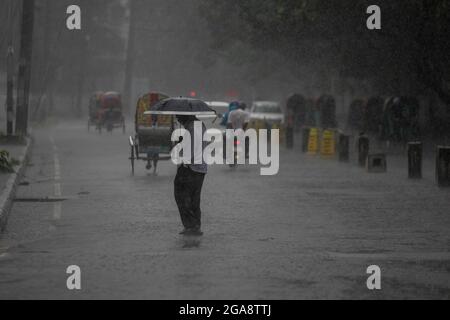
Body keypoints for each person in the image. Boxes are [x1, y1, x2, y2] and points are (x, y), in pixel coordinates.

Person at [174, 115, 208, 236]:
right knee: (194, 198)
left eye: (179, 117)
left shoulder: (193, 127)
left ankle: (191, 225)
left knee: (182, 196)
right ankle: (195, 225)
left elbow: (192, 148)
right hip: (200, 167)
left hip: (190, 167)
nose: (178, 119)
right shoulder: (199, 125)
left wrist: (185, 162)